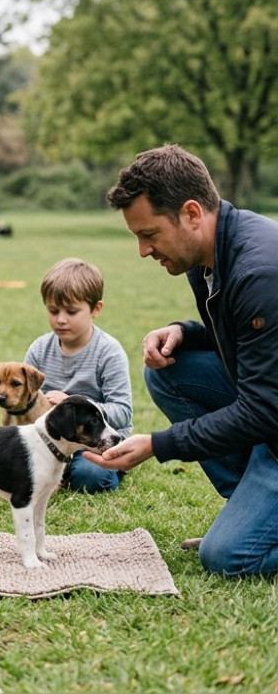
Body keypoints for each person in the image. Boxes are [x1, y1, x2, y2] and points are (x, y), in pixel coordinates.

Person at [87, 144, 278, 576]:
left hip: (270, 416)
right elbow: (252, 342)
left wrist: (159, 444)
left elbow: (263, 410)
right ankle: (250, 511)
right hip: (270, 410)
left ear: (192, 213)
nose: (143, 250)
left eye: (149, 234)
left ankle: (249, 530)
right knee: (169, 372)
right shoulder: (206, 255)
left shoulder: (259, 272)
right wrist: (186, 332)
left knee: (227, 557)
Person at [24, 258, 133, 493]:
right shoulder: (38, 350)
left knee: (90, 477)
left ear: (96, 309)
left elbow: (123, 412)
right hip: (51, 439)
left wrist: (71, 405)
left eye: (71, 311)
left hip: (95, 442)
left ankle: (112, 466)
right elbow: (26, 404)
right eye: (53, 310)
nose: (60, 319)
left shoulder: (109, 352)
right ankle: (59, 469)